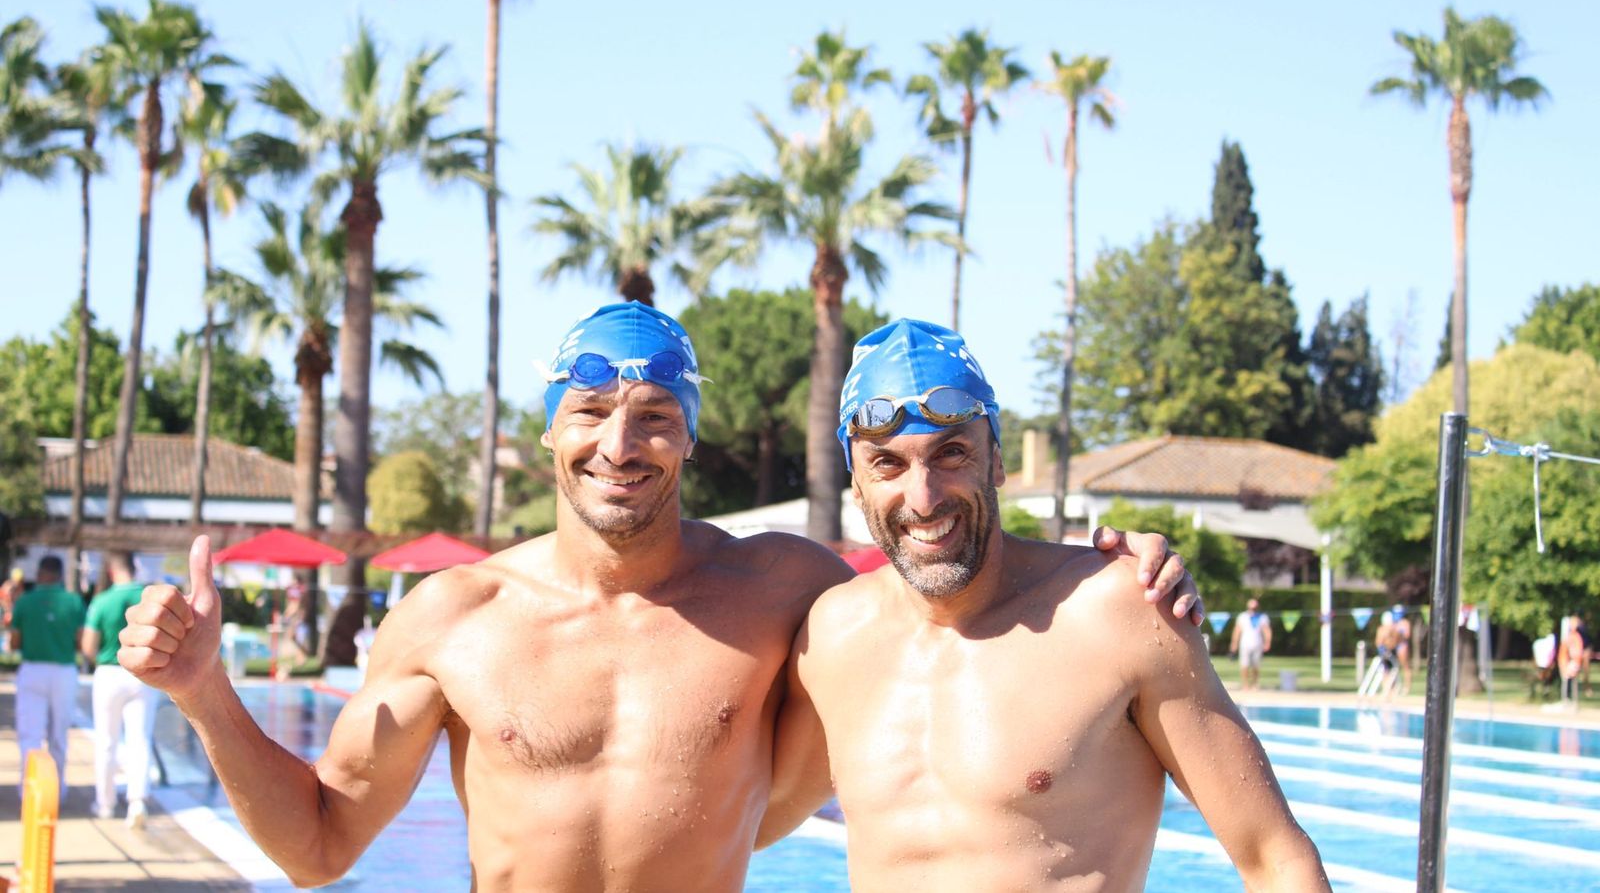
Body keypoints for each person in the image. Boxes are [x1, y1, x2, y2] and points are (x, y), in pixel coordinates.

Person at [117, 302, 1199, 889]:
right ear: (548, 428)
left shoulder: (787, 590)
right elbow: (318, 851)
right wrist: (208, 691)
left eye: (653, 419)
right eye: (590, 410)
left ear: (688, 435)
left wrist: (1110, 562)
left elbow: (949, 573)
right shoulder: (453, 619)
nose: (619, 445)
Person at [760, 319, 1327, 890]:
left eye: (951, 453)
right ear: (856, 484)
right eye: (888, 463)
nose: (923, 497)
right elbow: (751, 821)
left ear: (998, 462)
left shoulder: (1118, 610)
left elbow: (1274, 856)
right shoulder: (834, 634)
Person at [82, 550, 162, 826]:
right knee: (140, 739)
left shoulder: (102, 601)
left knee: (106, 740)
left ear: (112, 571)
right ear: (135, 568)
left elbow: (88, 647)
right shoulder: (148, 601)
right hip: (143, 673)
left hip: (109, 672)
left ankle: (104, 803)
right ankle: (137, 801)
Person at [10, 555, 85, 797]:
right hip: (64, 670)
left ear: (40, 573)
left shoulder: (25, 601)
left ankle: (29, 792)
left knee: (30, 736)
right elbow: (81, 641)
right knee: (58, 735)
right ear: (61, 575)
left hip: (32, 669)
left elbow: (13, 642)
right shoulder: (74, 601)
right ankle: (56, 792)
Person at [1230, 597, 1273, 691]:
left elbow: (1266, 630)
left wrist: (1267, 642)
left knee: (1256, 666)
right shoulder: (1242, 617)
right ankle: (1245, 684)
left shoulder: (1262, 617)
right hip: (1245, 644)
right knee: (1244, 665)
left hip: (1258, 644)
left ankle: (1254, 684)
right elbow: (1237, 631)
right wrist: (1234, 644)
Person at [1391, 605, 1413, 696]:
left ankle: (1406, 688)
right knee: (1393, 667)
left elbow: (1407, 635)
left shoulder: (1405, 623)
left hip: (1402, 646)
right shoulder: (1393, 623)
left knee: (1405, 667)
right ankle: (1393, 688)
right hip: (1394, 646)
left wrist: (1398, 634)